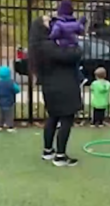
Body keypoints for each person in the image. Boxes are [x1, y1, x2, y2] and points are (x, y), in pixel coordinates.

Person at [29, 15, 83, 167]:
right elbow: (72, 55)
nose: (53, 22)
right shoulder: (48, 46)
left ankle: (48, 151)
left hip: (51, 88)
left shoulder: (39, 46)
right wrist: (75, 44)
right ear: (42, 27)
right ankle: (60, 156)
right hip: (63, 87)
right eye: (48, 21)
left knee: (53, 117)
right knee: (66, 119)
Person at [49, 0, 88, 86]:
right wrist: (81, 22)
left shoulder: (58, 24)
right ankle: (80, 77)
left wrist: (51, 37)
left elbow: (54, 34)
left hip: (63, 47)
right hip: (74, 46)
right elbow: (81, 30)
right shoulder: (75, 23)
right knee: (74, 64)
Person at [0, 66, 20, 132]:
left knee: (0, 114)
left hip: (1, 101)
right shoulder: (11, 83)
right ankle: (10, 126)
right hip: (10, 101)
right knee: (9, 114)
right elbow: (17, 89)